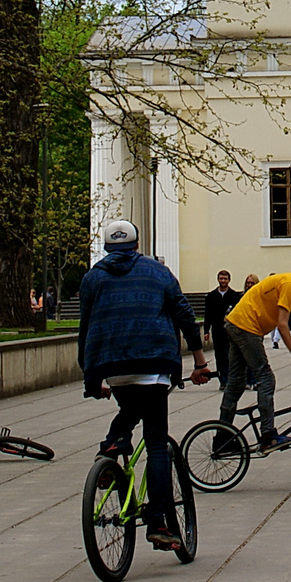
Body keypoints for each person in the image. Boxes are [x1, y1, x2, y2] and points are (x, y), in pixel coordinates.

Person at [79, 219, 209, 551]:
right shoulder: (159, 272)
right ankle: (158, 521)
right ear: (137, 245)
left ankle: (114, 441)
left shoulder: (93, 278)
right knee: (155, 443)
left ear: (108, 248)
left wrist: (91, 377)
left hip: (112, 364)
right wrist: (199, 362)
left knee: (130, 404)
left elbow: (85, 328)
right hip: (155, 362)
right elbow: (184, 316)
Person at [218, 249, 291, 453]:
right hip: (246, 326)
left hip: (237, 323)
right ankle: (268, 435)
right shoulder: (290, 284)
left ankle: (222, 436)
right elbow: (282, 324)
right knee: (266, 378)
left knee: (235, 382)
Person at [202, 270, 242, 388]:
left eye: (225, 279)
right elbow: (207, 314)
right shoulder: (211, 296)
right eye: (221, 279)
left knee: (230, 355)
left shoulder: (234, 296)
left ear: (229, 280)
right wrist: (206, 330)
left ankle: (230, 379)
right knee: (219, 356)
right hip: (217, 330)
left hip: (230, 331)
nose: (223, 281)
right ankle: (223, 380)